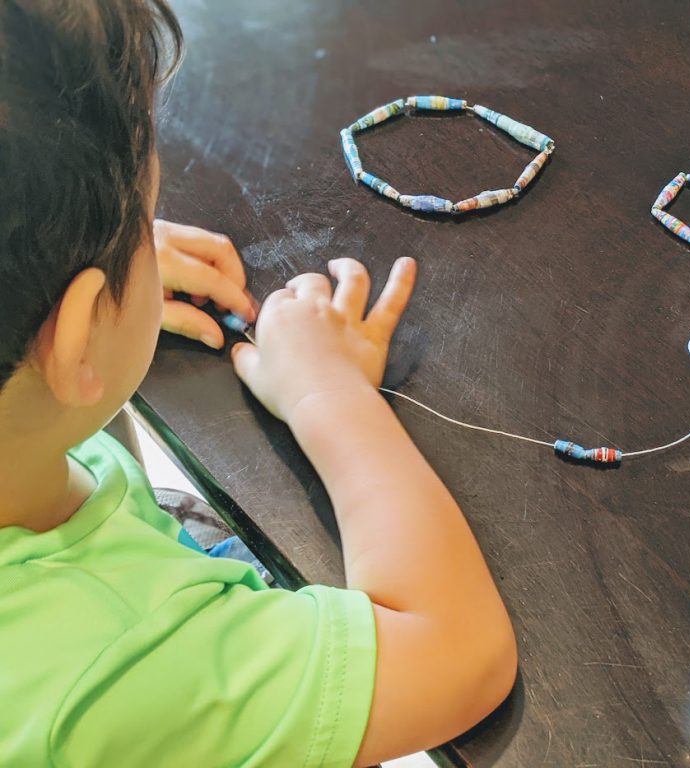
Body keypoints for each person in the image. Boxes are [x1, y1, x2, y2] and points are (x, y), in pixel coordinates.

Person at [0, 1, 516, 765]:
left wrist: (92, 285)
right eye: (144, 222)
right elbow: (463, 654)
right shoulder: (121, 669)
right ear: (73, 339)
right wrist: (327, 392)